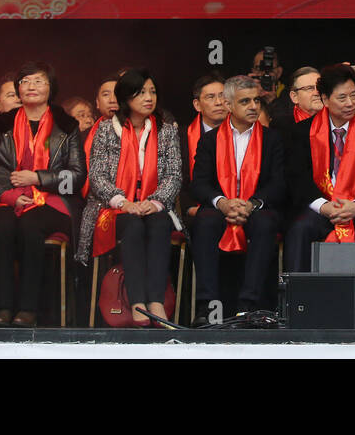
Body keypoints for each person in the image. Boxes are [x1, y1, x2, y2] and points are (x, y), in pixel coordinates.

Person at [0, 61, 86, 327]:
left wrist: (38, 178)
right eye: (25, 81)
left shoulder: (66, 126)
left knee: (30, 224)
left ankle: (28, 309)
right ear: (18, 90)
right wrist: (11, 196)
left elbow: (76, 177)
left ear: (51, 87)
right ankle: (2, 308)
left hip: (54, 201)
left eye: (39, 81)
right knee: (0, 224)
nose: (31, 86)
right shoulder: (2, 124)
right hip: (9, 197)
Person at [78, 68, 181, 327]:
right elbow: (97, 175)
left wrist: (154, 201)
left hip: (153, 204)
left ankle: (155, 299)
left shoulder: (166, 130)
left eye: (153, 92)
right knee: (133, 225)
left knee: (158, 222)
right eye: (141, 92)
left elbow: (174, 174)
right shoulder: (105, 129)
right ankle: (137, 301)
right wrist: (124, 202)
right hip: (112, 207)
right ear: (125, 98)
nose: (149, 98)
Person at [189, 75, 285, 321]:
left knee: (265, 223)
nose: (253, 106)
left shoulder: (272, 138)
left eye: (256, 100)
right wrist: (222, 202)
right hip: (221, 205)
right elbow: (199, 183)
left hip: (256, 206)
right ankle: (208, 307)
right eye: (245, 101)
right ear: (229, 105)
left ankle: (248, 306)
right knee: (205, 221)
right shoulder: (209, 140)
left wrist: (251, 204)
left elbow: (279, 183)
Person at [284, 64, 355, 272]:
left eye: (354, 95)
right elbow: (297, 179)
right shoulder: (301, 133)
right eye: (342, 98)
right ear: (325, 99)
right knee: (300, 227)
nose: (351, 103)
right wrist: (323, 207)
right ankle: (294, 298)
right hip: (322, 206)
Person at [180, 72, 227, 220]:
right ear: (197, 105)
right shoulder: (182, 137)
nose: (219, 102)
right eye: (211, 97)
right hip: (197, 207)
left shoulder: (244, 133)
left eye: (223, 96)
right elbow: (178, 180)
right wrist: (189, 208)